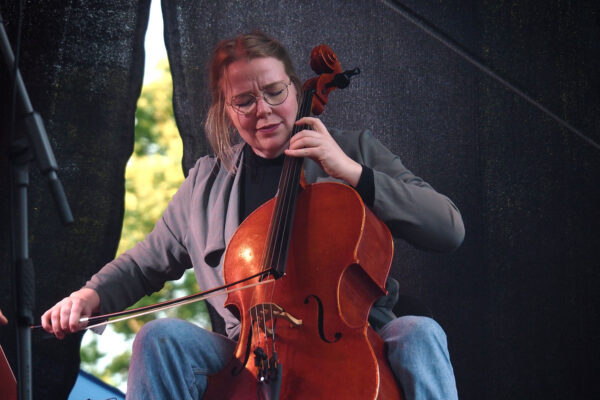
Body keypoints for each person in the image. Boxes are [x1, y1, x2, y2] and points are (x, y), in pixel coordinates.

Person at [42, 31, 464, 399]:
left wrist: (352, 172)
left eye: (275, 92)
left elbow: (447, 228)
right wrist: (89, 296)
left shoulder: (354, 152)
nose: (263, 110)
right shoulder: (204, 186)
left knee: (419, 333)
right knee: (159, 337)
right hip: (247, 352)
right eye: (244, 101)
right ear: (227, 111)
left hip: (356, 337)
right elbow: (142, 263)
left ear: (296, 90)